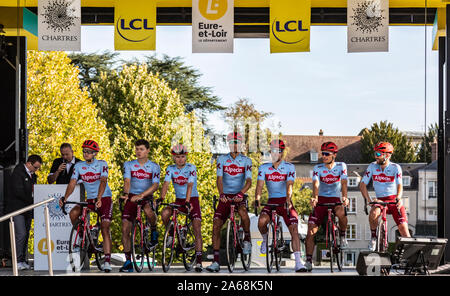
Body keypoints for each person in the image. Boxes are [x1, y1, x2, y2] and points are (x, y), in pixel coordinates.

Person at [59, 140, 114, 272]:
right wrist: (65, 198)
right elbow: (72, 183)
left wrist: (99, 198)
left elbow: (103, 181)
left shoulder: (102, 164)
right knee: (74, 213)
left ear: (95, 153)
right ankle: (86, 232)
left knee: (105, 228)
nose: (85, 154)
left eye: (88, 152)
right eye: (84, 151)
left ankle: (107, 261)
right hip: (90, 199)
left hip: (104, 198)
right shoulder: (79, 166)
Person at [255, 139, 307, 272]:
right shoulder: (264, 167)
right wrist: (257, 198)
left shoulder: (289, 167)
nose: (275, 153)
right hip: (271, 201)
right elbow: (260, 186)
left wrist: (288, 199)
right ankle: (266, 239)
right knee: (261, 222)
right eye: (272, 151)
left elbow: (289, 185)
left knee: (294, 228)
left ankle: (298, 262)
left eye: (278, 151)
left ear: (282, 152)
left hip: (284, 201)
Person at [206, 132, 253, 273]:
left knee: (243, 212)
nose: (234, 145)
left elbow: (249, 181)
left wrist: (241, 193)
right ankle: (215, 262)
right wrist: (221, 194)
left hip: (239, 195)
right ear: (228, 144)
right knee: (216, 225)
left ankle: (246, 238)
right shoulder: (221, 159)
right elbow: (219, 179)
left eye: (237, 142)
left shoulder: (246, 160)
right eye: (232, 142)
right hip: (225, 196)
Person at [305, 142, 349, 272]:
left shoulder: (342, 166)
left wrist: (345, 197)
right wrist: (315, 197)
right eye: (322, 153)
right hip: (321, 200)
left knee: (342, 212)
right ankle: (308, 260)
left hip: (335, 200)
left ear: (334, 155)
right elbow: (316, 183)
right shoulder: (318, 168)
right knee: (311, 229)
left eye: (326, 154)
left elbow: (344, 182)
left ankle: (342, 235)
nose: (323, 156)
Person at [160, 144, 203, 272]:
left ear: (186, 157)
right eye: (177, 157)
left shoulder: (191, 168)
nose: (180, 159)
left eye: (183, 157)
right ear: (174, 157)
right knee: (165, 213)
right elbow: (166, 184)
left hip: (192, 199)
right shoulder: (170, 169)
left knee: (196, 227)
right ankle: (174, 231)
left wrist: (188, 201)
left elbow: (190, 184)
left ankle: (199, 262)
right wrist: (161, 198)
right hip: (179, 200)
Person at [360, 142, 410, 251]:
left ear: (387, 155)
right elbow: (362, 184)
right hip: (380, 200)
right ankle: (374, 238)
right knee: (373, 214)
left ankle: (410, 255)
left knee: (404, 229)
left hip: (393, 199)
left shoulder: (395, 167)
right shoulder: (372, 166)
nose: (375, 157)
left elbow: (399, 185)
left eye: (378, 154)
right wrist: (369, 200)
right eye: (375, 154)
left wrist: (399, 197)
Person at [119, 139, 160, 273]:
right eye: (137, 149)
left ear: (148, 151)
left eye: (141, 149)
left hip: (146, 195)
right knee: (125, 228)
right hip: (132, 195)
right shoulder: (129, 164)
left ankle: (153, 230)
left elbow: (155, 185)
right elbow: (127, 180)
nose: (138, 152)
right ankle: (128, 261)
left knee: (148, 211)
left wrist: (142, 195)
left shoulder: (154, 166)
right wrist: (126, 194)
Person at [8, 155, 42, 270]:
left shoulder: (32, 175)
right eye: (35, 167)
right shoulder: (18, 173)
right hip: (18, 208)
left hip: (28, 209)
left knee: (26, 235)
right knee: (21, 234)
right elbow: (18, 191)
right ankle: (17, 261)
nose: (36, 170)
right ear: (29, 163)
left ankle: (22, 260)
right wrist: (32, 200)